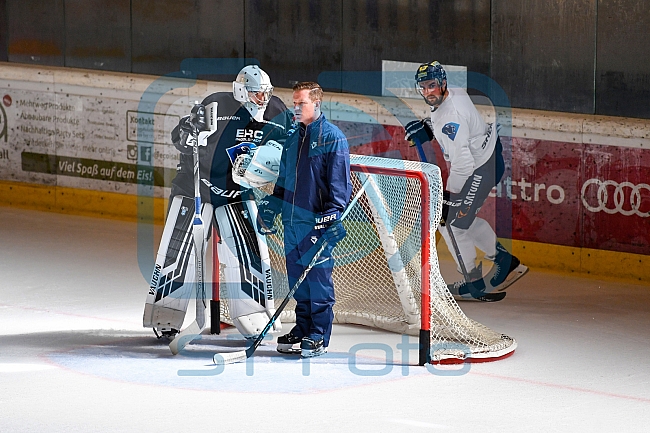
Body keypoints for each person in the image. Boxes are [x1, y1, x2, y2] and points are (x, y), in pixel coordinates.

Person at [143, 65, 294, 339]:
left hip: (236, 192)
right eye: (256, 94)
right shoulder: (217, 105)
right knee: (179, 253)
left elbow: (293, 140)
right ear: (240, 91)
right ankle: (166, 314)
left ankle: (254, 314)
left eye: (265, 94)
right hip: (195, 186)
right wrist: (190, 132)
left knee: (248, 254)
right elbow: (178, 137)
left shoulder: (276, 112)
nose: (262, 100)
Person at [405, 61, 527, 299]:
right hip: (488, 160)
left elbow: (463, 163)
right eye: (423, 87)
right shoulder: (453, 93)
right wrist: (429, 128)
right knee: (462, 221)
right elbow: (456, 124)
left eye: (432, 85)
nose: (428, 91)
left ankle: (473, 282)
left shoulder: (452, 117)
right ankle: (503, 259)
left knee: (451, 223)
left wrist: (450, 196)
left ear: (442, 83)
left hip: (479, 169)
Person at [257, 82, 351, 358]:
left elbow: (339, 187)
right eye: (293, 103)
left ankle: (319, 333)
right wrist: (272, 206)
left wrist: (332, 217)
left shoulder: (333, 138)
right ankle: (303, 326)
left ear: (317, 104)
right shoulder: (291, 137)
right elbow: (284, 181)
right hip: (292, 222)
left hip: (316, 224)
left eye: (301, 103)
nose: (295, 108)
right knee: (297, 278)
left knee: (318, 280)